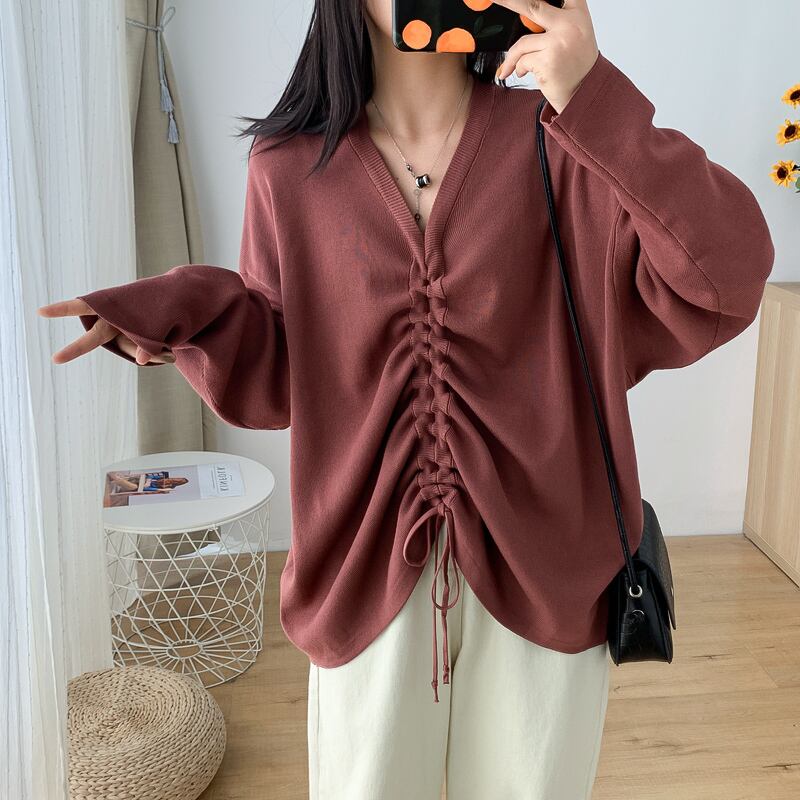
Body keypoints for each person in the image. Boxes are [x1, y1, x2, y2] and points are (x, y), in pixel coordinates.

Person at [38, 1, 775, 797]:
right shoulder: (287, 166)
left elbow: (726, 277)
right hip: (363, 579)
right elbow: (283, 368)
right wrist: (182, 312)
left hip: (549, 573)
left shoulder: (562, 143)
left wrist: (593, 94)